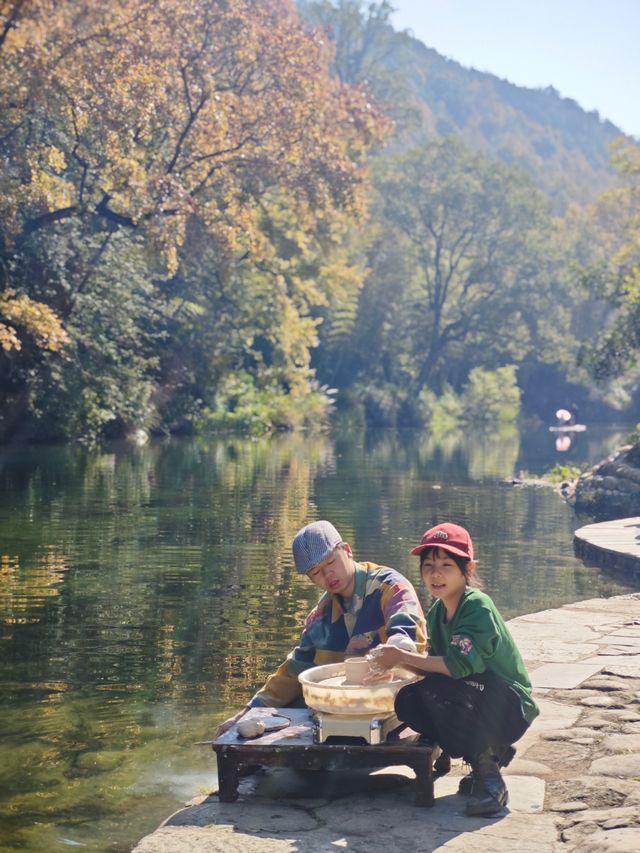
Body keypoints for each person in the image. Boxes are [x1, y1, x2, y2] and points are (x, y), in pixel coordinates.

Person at [366, 522, 538, 817]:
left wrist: (401, 655)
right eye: (429, 566)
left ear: (467, 568)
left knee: (440, 688)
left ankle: (489, 777)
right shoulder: (437, 613)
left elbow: (456, 667)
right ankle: (487, 752)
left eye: (446, 565)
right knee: (409, 700)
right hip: (475, 695)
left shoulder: (477, 606)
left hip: (508, 706)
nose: (435, 574)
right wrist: (393, 663)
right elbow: (434, 667)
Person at [215, 520, 427, 737]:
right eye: (316, 572)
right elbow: (295, 670)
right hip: (347, 706)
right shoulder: (320, 615)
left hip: (399, 700)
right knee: (295, 702)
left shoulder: (391, 588)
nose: (328, 575)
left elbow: (406, 635)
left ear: (347, 550)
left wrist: (390, 660)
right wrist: (248, 712)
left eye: (331, 562)